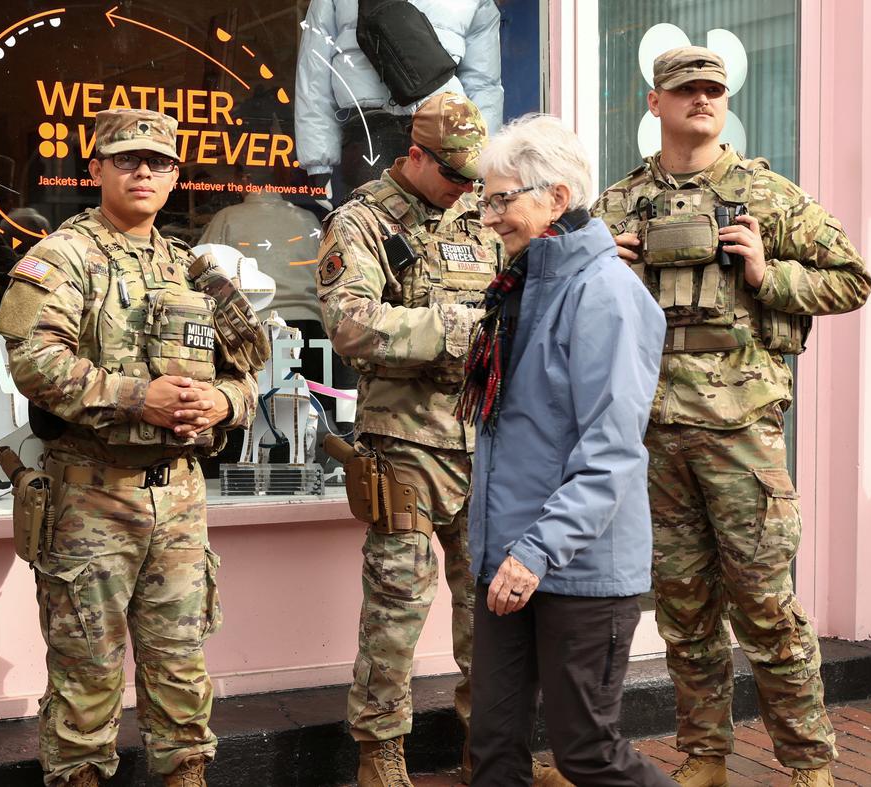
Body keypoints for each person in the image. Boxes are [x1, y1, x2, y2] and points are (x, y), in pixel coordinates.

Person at [592, 47, 871, 787]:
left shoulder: (768, 196)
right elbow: (572, 317)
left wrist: (764, 271)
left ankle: (810, 764)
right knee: (684, 613)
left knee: (767, 607)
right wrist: (605, 277)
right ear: (656, 104)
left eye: (714, 89)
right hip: (653, 435)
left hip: (742, 434)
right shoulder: (618, 204)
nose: (703, 99)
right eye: (687, 89)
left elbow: (852, 279)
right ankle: (705, 757)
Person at [0, 109, 266, 787]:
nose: (142, 172)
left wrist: (224, 403)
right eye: (125, 159)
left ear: (175, 176)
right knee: (85, 682)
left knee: (181, 675)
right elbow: (32, 360)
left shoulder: (194, 268)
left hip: (178, 496)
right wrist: (132, 395)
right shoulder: (64, 256)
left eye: (158, 162)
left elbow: (249, 373)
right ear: (95, 171)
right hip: (91, 496)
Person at [462, 113, 671, 787]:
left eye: (502, 198)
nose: (489, 216)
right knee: (493, 747)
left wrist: (536, 549)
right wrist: (502, 551)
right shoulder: (525, 285)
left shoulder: (605, 294)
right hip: (510, 560)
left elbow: (611, 451)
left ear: (556, 197)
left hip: (576, 569)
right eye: (484, 199)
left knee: (588, 752)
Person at [316, 92, 507, 787]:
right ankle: (381, 753)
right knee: (397, 603)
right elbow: (352, 322)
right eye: (455, 175)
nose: (468, 188)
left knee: (490, 606)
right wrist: (461, 330)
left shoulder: (484, 217)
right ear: (416, 156)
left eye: (475, 176)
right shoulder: (361, 221)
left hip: (484, 438)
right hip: (404, 442)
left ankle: (487, 750)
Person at [295, 0, 503, 203]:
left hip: (438, 130)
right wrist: (319, 162)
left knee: (431, 226)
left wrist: (481, 162)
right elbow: (315, 70)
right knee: (372, 223)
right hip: (373, 128)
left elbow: (483, 83)